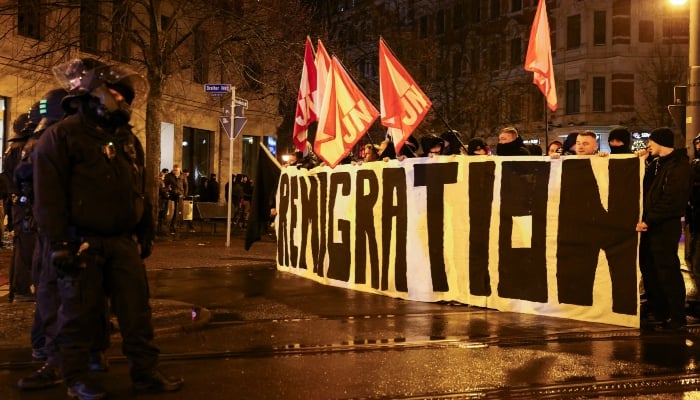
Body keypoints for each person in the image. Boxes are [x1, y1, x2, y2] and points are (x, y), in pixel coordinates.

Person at [33, 58, 183, 398]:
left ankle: (145, 372)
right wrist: (58, 243)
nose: (124, 102)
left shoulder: (127, 139)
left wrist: (145, 228)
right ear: (97, 94)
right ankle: (76, 379)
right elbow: (49, 197)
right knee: (77, 316)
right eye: (118, 94)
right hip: (81, 243)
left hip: (121, 243)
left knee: (137, 312)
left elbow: (139, 187)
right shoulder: (62, 136)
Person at [17, 87, 111, 391]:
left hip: (65, 233)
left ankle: (64, 360)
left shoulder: (68, 141)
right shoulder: (54, 142)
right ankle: (62, 358)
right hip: (58, 233)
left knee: (64, 299)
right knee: (58, 297)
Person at [635, 127, 691, 332]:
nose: (648, 145)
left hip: (665, 226)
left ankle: (677, 317)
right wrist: (640, 162)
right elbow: (644, 190)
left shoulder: (679, 166)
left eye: (651, 141)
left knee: (667, 270)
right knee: (650, 268)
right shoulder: (656, 164)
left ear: (661, 142)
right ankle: (660, 312)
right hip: (650, 225)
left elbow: (673, 200)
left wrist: (649, 220)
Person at [4, 110, 37, 303]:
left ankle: (17, 288)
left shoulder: (14, 148)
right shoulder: (23, 149)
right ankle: (21, 289)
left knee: (20, 246)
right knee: (26, 248)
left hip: (18, 205)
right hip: (24, 206)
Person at [164, 165, 184, 234]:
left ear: (179, 170)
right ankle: (172, 226)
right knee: (172, 212)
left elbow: (185, 185)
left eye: (177, 170)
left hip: (180, 195)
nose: (175, 172)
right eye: (174, 170)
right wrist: (169, 190)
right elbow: (166, 184)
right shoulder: (169, 176)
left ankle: (175, 225)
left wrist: (184, 194)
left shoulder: (182, 176)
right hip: (172, 196)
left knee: (178, 211)